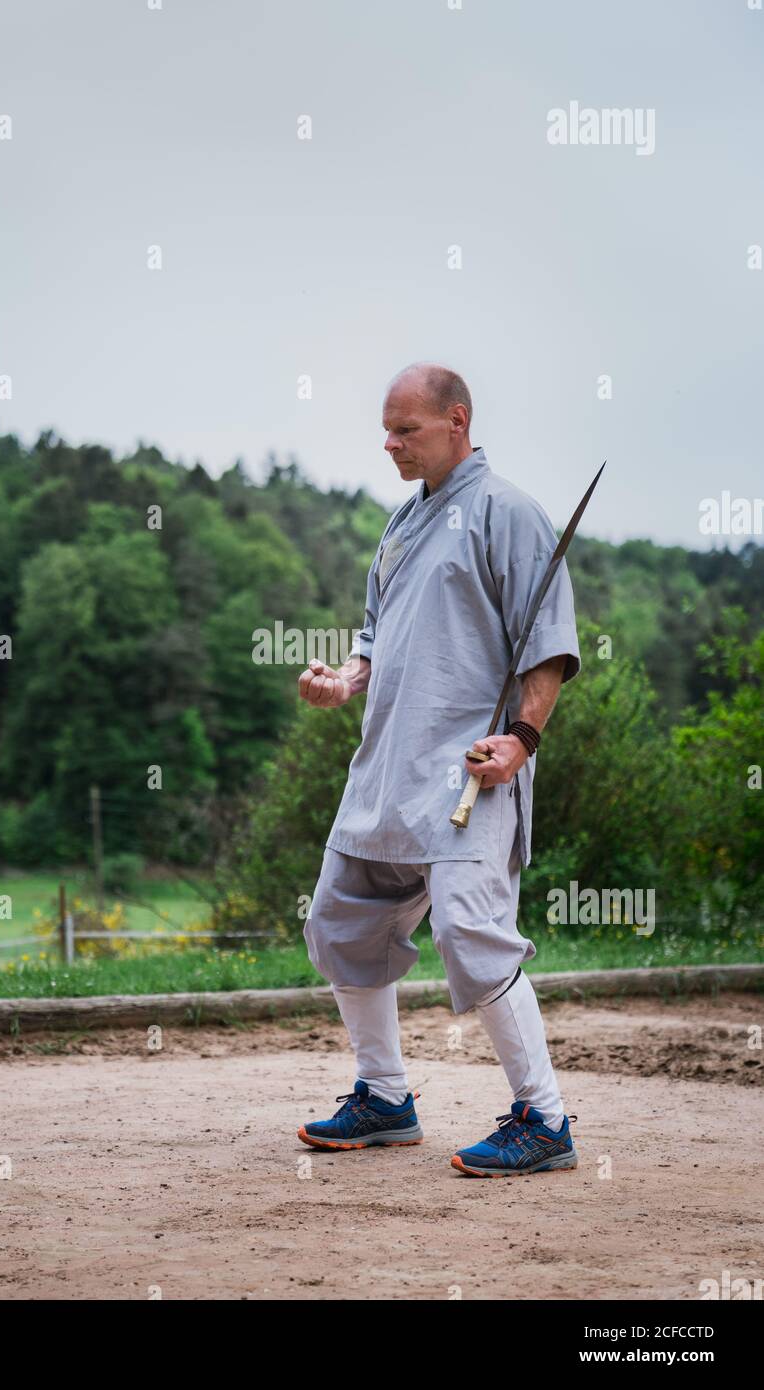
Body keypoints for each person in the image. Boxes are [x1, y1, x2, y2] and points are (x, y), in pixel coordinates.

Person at [295, 362, 580, 1176]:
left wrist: (521, 740)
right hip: (387, 767)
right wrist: (343, 680)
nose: (390, 445)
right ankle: (383, 1099)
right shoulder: (398, 525)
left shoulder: (510, 513)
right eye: (385, 430)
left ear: (458, 420)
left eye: (406, 430)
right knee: (338, 922)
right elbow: (374, 638)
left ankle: (545, 1119)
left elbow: (548, 649)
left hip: (471, 768)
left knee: (470, 932)